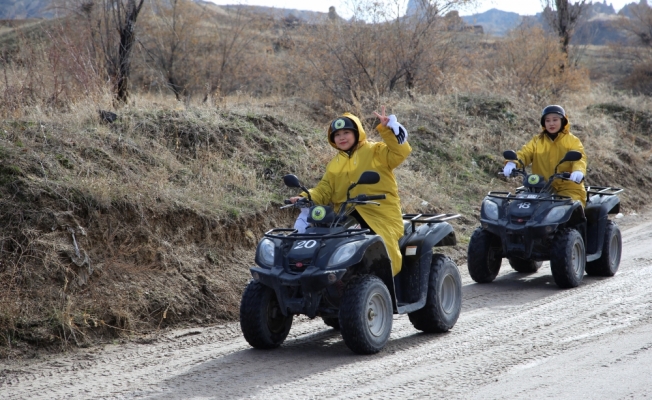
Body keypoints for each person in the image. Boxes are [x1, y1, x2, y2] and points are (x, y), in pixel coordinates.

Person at [290, 106, 412, 276]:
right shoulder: (334, 163)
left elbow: (400, 153)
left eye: (346, 133)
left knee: (382, 247)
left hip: (379, 212)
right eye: (337, 135)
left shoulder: (374, 150)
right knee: (324, 244)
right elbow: (325, 189)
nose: (341, 138)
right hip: (345, 215)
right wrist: (305, 197)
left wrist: (387, 130)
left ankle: (383, 284)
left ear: (357, 133)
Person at [503, 105, 588, 206]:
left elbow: (580, 158)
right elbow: (525, 153)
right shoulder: (537, 140)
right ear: (543, 123)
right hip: (540, 187)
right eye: (547, 120)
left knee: (570, 210)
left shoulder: (572, 141)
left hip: (568, 187)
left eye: (555, 120)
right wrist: (513, 163)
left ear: (563, 121)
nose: (551, 123)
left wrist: (578, 171)